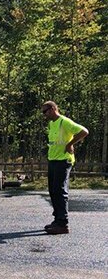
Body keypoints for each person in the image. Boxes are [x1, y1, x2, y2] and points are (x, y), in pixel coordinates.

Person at [41, 101, 88, 235]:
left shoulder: (64, 122)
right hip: (53, 159)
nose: (44, 115)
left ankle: (63, 223)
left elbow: (84, 131)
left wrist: (70, 144)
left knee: (60, 191)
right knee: (53, 190)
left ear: (53, 109)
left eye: (45, 111)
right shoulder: (51, 124)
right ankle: (57, 220)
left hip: (64, 160)